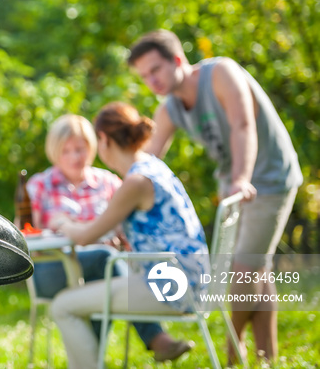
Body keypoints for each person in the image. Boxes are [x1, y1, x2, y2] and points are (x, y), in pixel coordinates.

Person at [127, 29, 302, 362]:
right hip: (234, 188)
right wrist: (118, 202)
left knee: (243, 271)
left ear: (177, 60)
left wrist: (240, 179)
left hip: (268, 180)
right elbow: (146, 163)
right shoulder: (170, 108)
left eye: (155, 70)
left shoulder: (221, 73)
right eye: (144, 76)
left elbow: (242, 125)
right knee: (256, 271)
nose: (152, 80)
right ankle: (267, 358)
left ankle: (232, 354)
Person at [47, 102, 210, 369]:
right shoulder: (153, 166)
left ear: (103, 139)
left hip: (174, 287)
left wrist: (63, 222)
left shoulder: (136, 181)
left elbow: (86, 236)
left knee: (62, 306)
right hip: (191, 280)